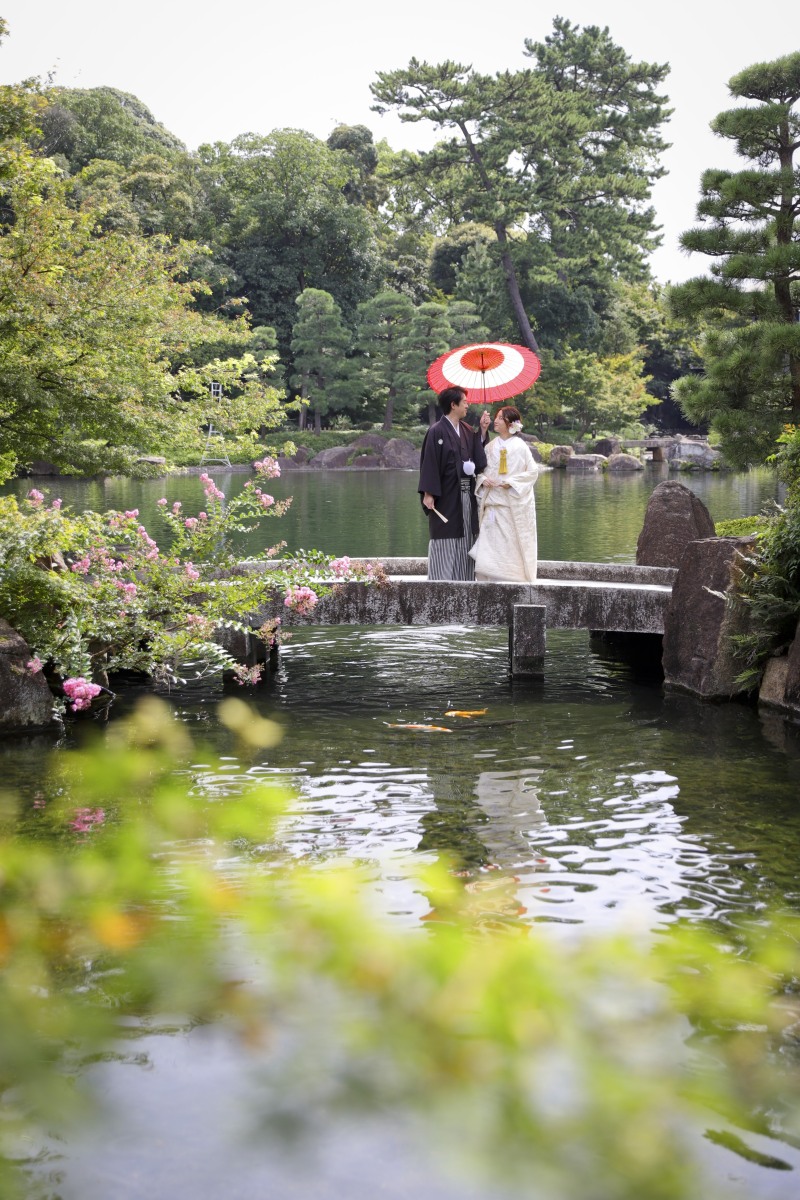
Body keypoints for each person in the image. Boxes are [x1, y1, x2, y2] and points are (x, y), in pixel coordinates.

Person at [419, 387, 491, 581]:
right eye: (464, 401)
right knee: (446, 535)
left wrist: (483, 430)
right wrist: (428, 492)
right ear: (453, 405)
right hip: (446, 494)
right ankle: (440, 582)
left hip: (467, 495)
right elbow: (430, 462)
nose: (468, 404)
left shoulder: (468, 430)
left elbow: (479, 458)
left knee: (467, 535)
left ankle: (464, 582)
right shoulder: (436, 431)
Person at [469, 405, 539, 582]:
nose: (496, 420)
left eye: (500, 418)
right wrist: (483, 479)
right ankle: (487, 581)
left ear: (510, 423)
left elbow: (532, 472)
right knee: (489, 547)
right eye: (496, 417)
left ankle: (510, 580)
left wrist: (511, 482)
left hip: (511, 507)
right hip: (492, 505)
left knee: (509, 547)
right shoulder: (490, 446)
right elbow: (480, 470)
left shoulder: (521, 446)